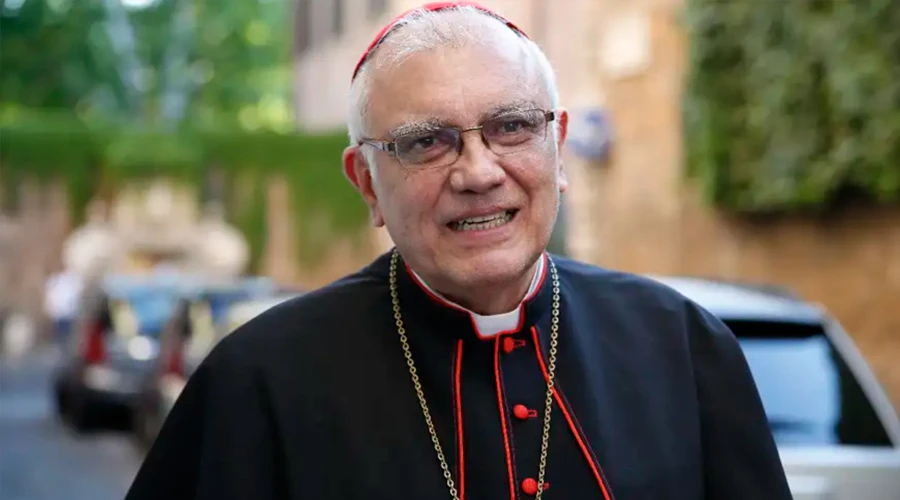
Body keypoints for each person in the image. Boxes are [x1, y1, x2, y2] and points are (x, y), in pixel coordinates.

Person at [124, 3, 793, 499]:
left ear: (558, 148)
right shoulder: (259, 380)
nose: (478, 172)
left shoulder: (682, 345)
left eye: (512, 126)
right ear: (367, 183)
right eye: (426, 142)